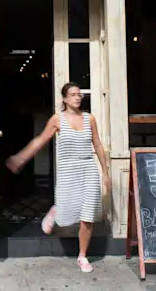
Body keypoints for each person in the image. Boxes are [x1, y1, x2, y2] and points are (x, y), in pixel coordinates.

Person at [6, 82, 112, 273]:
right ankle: (57, 210)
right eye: (72, 94)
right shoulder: (57, 119)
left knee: (87, 216)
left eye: (79, 94)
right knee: (65, 218)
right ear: (64, 99)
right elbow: (40, 140)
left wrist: (105, 173)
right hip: (68, 170)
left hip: (88, 168)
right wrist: (21, 157)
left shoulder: (90, 119)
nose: (77, 97)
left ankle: (82, 256)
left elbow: (97, 145)